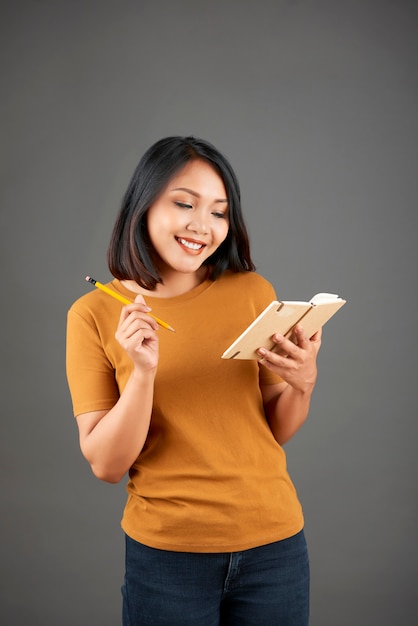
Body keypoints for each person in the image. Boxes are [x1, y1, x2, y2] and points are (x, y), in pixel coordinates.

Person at [66, 135, 321, 626]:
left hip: (276, 546)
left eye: (220, 212)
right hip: (168, 558)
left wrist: (302, 383)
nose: (202, 226)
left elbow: (274, 430)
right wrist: (142, 375)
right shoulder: (93, 314)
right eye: (184, 203)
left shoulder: (253, 291)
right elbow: (107, 465)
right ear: (143, 205)